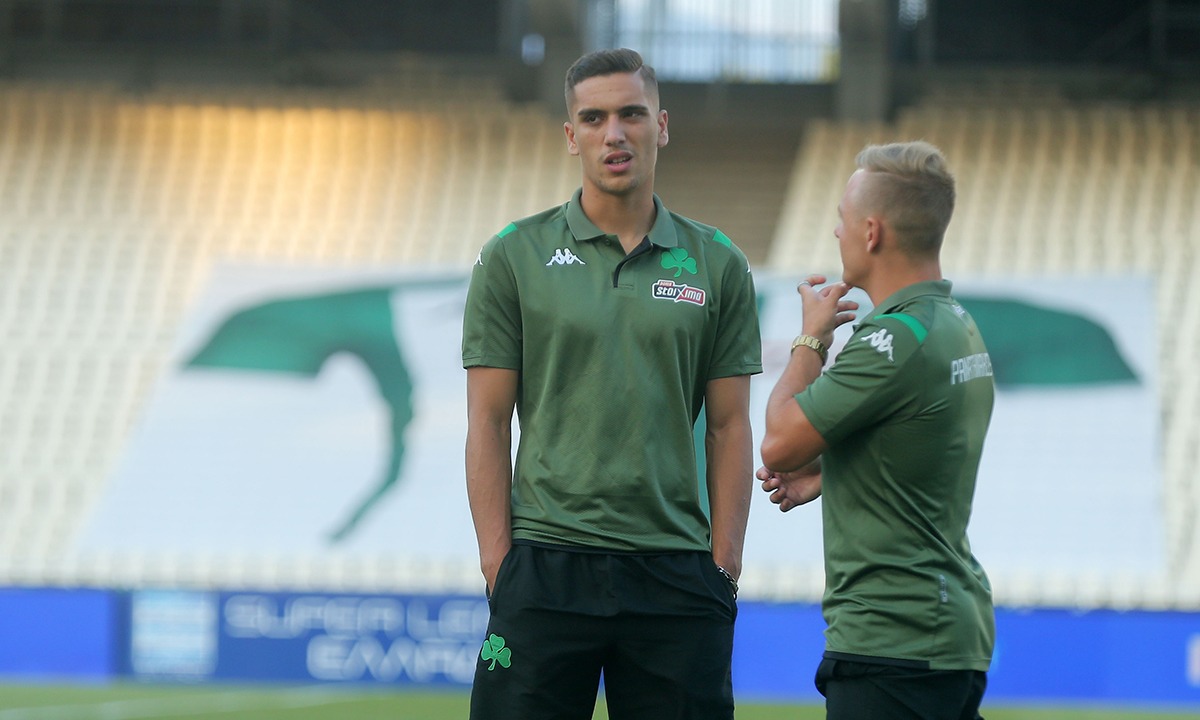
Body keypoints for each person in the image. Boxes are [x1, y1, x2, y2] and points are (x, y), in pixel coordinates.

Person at [461, 48, 762, 720]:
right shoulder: (513, 254)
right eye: (594, 119)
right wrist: (499, 567)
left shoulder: (718, 263)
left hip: (677, 570)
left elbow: (729, 424)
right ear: (572, 136)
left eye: (631, 114)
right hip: (544, 565)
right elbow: (486, 420)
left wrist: (724, 566)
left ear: (662, 125)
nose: (614, 133)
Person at [757, 141, 995, 720]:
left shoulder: (894, 339)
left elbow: (779, 442)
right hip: (945, 630)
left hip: (893, 640)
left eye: (842, 218)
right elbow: (920, 445)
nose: (836, 230)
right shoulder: (955, 323)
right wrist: (836, 470)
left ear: (871, 232)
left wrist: (812, 339)